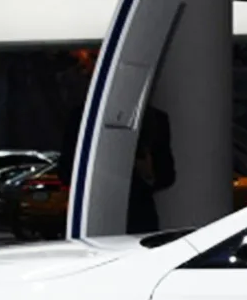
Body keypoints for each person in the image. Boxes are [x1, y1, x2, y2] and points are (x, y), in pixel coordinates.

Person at [57, 50, 175, 234]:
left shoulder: (154, 119)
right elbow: (66, 169)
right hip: (97, 213)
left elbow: (167, 174)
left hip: (136, 216)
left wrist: (148, 173)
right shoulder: (81, 119)